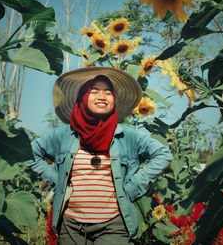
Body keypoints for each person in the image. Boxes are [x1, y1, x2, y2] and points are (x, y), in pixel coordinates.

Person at [27, 67, 173, 244]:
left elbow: (163, 154)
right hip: (71, 226)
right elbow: (30, 152)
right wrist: (57, 182)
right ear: (82, 96)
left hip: (114, 224)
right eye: (94, 91)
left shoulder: (127, 135)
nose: (102, 96)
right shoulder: (64, 135)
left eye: (108, 92)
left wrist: (134, 187)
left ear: (114, 99)